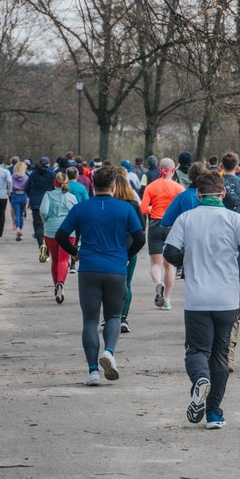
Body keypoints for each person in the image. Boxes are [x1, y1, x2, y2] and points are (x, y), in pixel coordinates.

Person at [163, 172, 240, 429]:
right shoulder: (234, 219)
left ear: (197, 194)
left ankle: (200, 380)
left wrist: (185, 263)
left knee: (196, 350)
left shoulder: (186, 218)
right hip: (227, 299)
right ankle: (214, 414)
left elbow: (170, 252)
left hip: (197, 299)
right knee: (220, 354)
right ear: (223, 193)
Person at [54, 166, 145, 386]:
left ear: (93, 186)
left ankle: (93, 371)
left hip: (89, 269)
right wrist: (126, 255)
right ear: (114, 186)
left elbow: (61, 235)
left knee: (90, 320)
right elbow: (140, 238)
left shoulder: (81, 208)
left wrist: (75, 253)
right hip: (115, 268)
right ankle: (110, 352)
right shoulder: (125, 209)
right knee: (113, 316)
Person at [140, 158, 185, 310]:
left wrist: (154, 210)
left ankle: (158, 283)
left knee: (156, 264)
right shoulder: (179, 188)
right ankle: (167, 300)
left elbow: (143, 208)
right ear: (173, 170)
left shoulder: (151, 187)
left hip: (155, 225)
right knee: (170, 266)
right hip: (172, 227)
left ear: (160, 169)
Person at [39, 171, 79, 305]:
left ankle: (56, 284)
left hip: (51, 230)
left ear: (54, 182)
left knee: (55, 260)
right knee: (64, 259)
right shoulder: (72, 197)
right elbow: (76, 214)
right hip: (68, 232)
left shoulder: (48, 195)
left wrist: (46, 221)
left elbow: (43, 211)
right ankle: (61, 282)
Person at [114, 171, 145, 333]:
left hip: (113, 248)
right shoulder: (133, 205)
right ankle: (123, 318)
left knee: (112, 284)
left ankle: (112, 316)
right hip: (130, 247)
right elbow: (141, 228)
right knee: (127, 283)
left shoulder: (111, 205)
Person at [25, 157, 55, 251]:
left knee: (38, 226)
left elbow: (26, 187)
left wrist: (31, 196)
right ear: (48, 164)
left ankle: (41, 245)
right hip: (49, 203)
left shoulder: (33, 175)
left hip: (36, 203)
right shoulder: (51, 174)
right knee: (49, 226)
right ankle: (48, 246)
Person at [10, 159, 29, 242]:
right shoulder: (26, 177)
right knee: (21, 214)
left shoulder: (12, 176)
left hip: (15, 195)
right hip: (23, 196)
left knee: (16, 214)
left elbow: (10, 187)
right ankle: (20, 230)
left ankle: (17, 229)